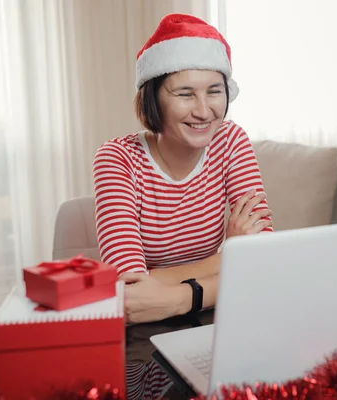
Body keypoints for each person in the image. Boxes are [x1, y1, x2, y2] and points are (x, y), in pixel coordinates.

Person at [92, 13, 273, 398]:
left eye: (214, 91)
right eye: (185, 93)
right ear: (153, 96)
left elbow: (264, 267)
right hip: (142, 355)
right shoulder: (116, 159)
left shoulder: (231, 141)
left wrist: (176, 296)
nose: (204, 110)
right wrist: (226, 260)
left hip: (215, 335)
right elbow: (131, 293)